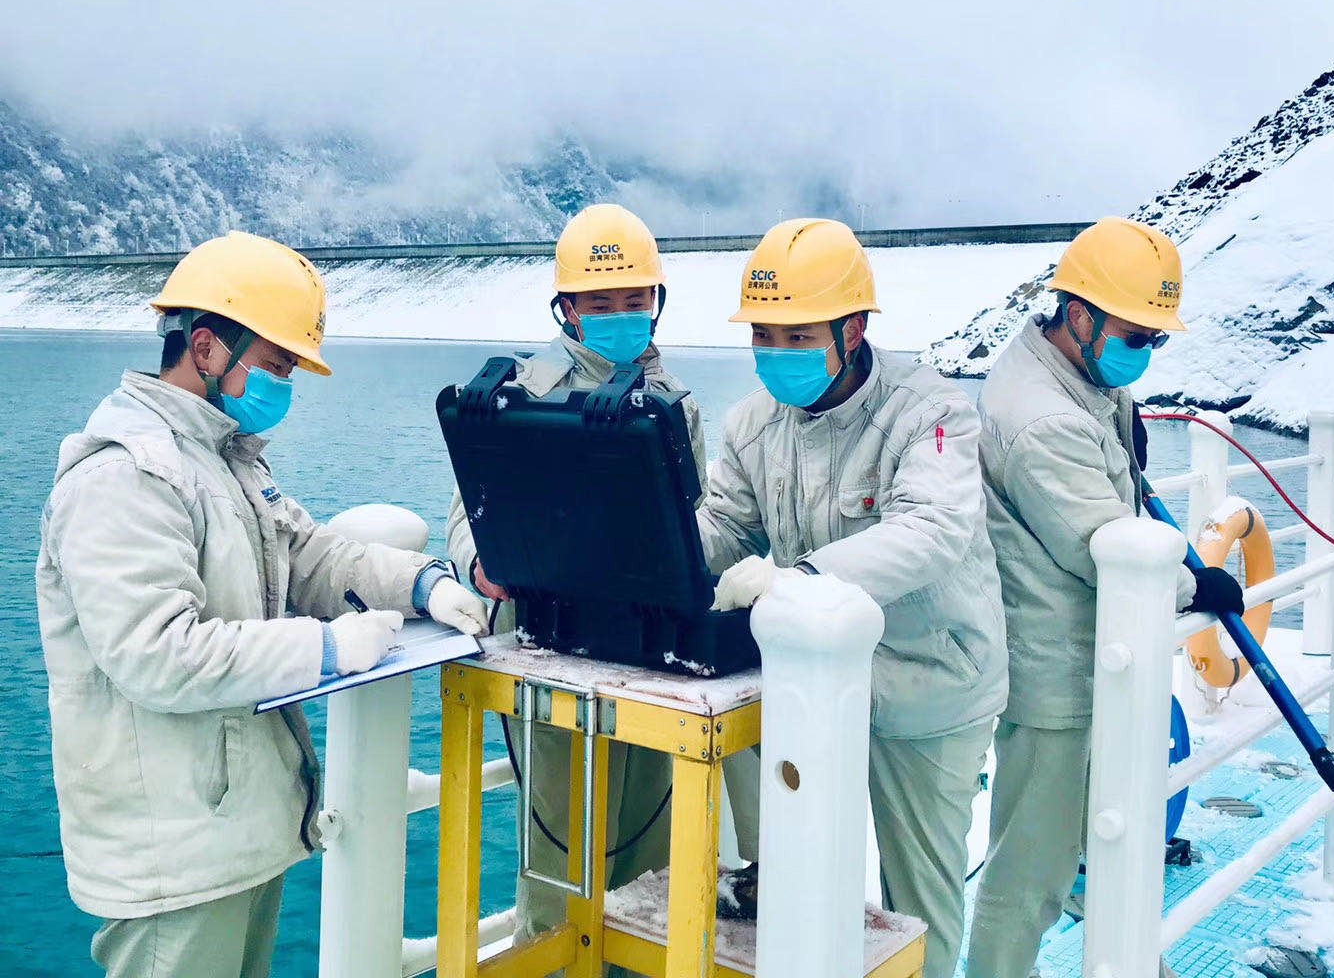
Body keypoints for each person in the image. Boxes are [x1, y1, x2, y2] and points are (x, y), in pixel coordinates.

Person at [35, 231, 489, 978]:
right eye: (276, 366)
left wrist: (422, 583)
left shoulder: (224, 461)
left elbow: (311, 556)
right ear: (206, 348)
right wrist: (329, 649)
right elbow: (158, 654)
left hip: (235, 834)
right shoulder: (125, 476)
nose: (284, 386)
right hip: (172, 859)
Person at [699, 218, 1007, 978]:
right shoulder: (751, 425)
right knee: (797, 882)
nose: (777, 352)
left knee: (920, 910)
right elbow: (724, 527)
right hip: (811, 689)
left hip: (929, 685)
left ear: (853, 329)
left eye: (799, 336)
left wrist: (798, 578)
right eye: (764, 335)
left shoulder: (930, 415)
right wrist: (641, 555)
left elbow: (931, 527)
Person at [965, 217, 1245, 978]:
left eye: (1154, 339)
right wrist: (1195, 585)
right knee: (1032, 867)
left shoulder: (1073, 375)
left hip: (1091, 655)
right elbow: (1103, 547)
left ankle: (1124, 959)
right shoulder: (1043, 418)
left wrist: (1125, 439)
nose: (1143, 352)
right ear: (1078, 314)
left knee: (1099, 836)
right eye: (1133, 335)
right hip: (1052, 667)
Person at [445, 203, 705, 969]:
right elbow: (469, 511)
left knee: (649, 847)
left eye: (634, 299)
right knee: (561, 851)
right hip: (550, 645)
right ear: (567, 308)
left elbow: (694, 519)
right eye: (601, 302)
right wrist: (481, 564)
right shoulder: (523, 392)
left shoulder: (676, 401)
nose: (622, 315)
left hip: (650, 648)